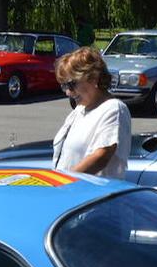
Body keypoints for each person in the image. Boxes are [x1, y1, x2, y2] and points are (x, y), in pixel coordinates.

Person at [51, 47, 132, 179]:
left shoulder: (114, 109)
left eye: (71, 85)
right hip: (71, 193)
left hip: (93, 195)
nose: (68, 93)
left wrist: (64, 182)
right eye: (64, 86)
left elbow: (101, 156)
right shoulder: (79, 111)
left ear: (93, 78)